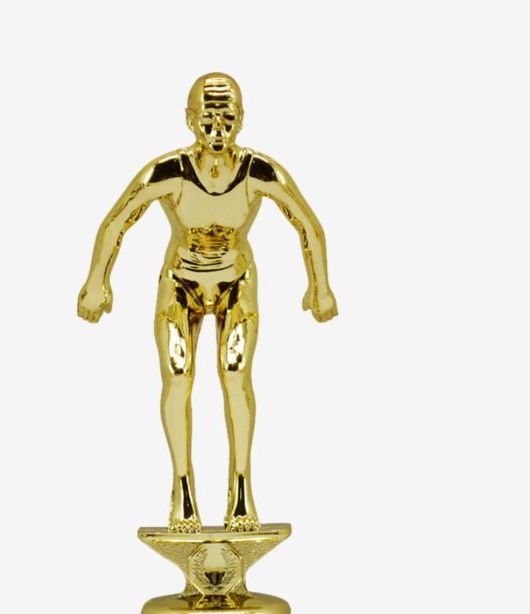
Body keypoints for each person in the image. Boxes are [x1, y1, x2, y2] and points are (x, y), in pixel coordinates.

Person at [78, 72, 337, 533]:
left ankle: (241, 492)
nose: (218, 131)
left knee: (236, 377)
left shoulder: (257, 171)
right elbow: (118, 220)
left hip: (236, 282)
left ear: (242, 120)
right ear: (189, 119)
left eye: (227, 120)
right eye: (208, 120)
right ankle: (182, 490)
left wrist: (320, 286)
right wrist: (96, 281)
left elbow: (307, 223)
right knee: (178, 378)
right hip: (181, 283)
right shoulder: (171, 172)